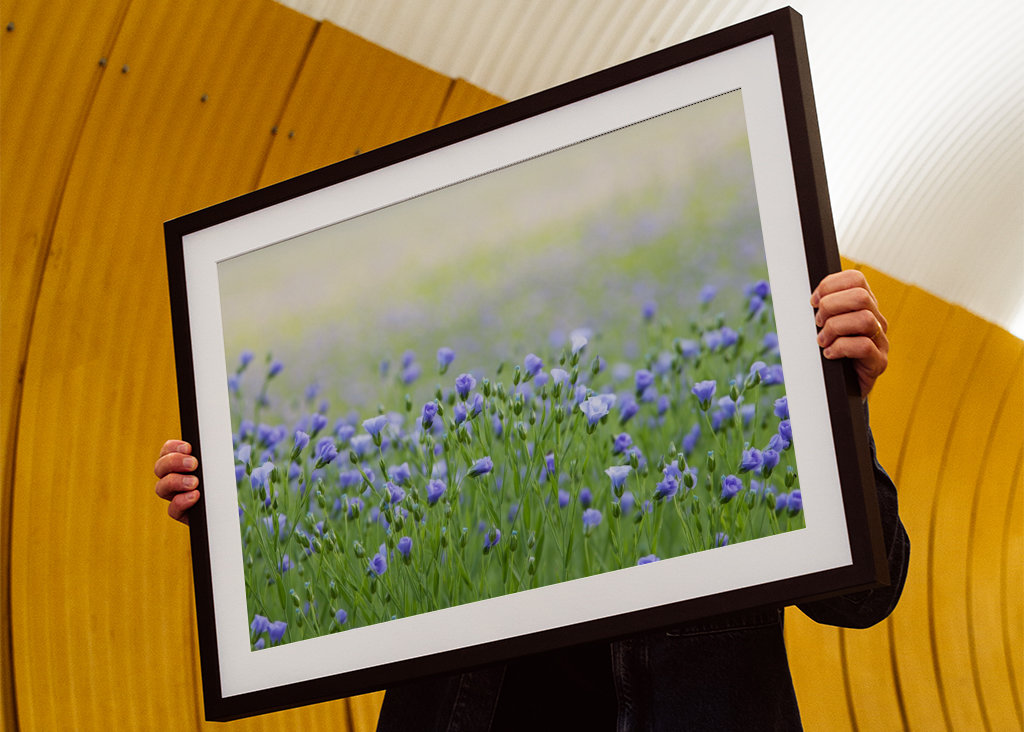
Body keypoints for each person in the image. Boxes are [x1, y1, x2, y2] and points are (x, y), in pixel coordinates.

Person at [154, 270, 908, 731]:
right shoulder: (442, 459)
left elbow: (866, 596)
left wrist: (838, 404)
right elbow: (340, 576)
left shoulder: (716, 428)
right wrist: (237, 512)